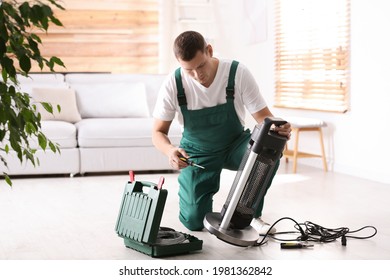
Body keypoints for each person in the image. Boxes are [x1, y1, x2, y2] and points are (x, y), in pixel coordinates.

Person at [152, 31, 291, 233]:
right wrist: (170, 151)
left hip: (235, 145)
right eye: (189, 70)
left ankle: (249, 214)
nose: (197, 75)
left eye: (201, 66)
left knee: (270, 147)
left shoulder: (236, 73)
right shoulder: (173, 83)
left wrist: (280, 129)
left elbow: (264, 119)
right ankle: (200, 209)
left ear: (209, 50)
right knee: (194, 221)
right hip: (197, 153)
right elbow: (157, 132)